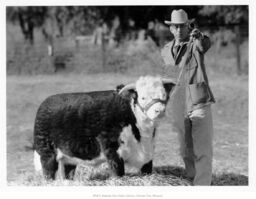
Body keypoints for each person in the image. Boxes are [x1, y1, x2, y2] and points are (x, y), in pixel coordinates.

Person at [161, 9, 215, 185]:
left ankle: (202, 187)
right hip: (178, 105)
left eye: (182, 26)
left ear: (188, 26)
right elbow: (167, 77)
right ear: (170, 29)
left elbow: (204, 45)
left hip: (199, 102)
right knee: (185, 150)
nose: (179, 30)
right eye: (175, 26)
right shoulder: (165, 51)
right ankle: (192, 179)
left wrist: (199, 36)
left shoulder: (195, 43)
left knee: (203, 150)